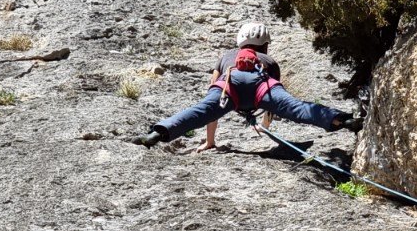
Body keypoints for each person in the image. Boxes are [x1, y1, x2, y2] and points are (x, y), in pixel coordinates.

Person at [135, 20, 361, 150]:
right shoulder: (269, 60)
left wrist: (210, 141)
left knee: (199, 111)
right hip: (262, 86)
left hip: (229, 85)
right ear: (265, 45)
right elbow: (275, 101)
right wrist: (264, 126)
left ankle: (158, 133)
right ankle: (341, 119)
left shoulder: (226, 57)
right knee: (297, 107)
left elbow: (210, 103)